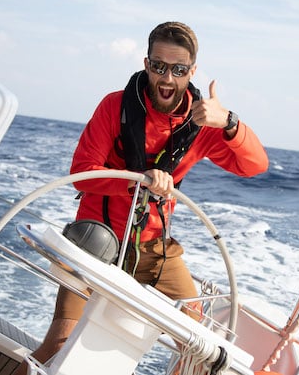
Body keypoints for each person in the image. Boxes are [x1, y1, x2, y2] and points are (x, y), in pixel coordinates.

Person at [14, 21, 268, 374]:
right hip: (96, 241)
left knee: (200, 346)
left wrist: (229, 122)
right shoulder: (114, 106)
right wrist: (138, 183)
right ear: (147, 64)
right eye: (159, 66)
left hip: (153, 249)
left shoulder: (202, 125)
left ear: (191, 71)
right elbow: (81, 173)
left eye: (178, 70)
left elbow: (255, 165)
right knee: (61, 344)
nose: (167, 78)